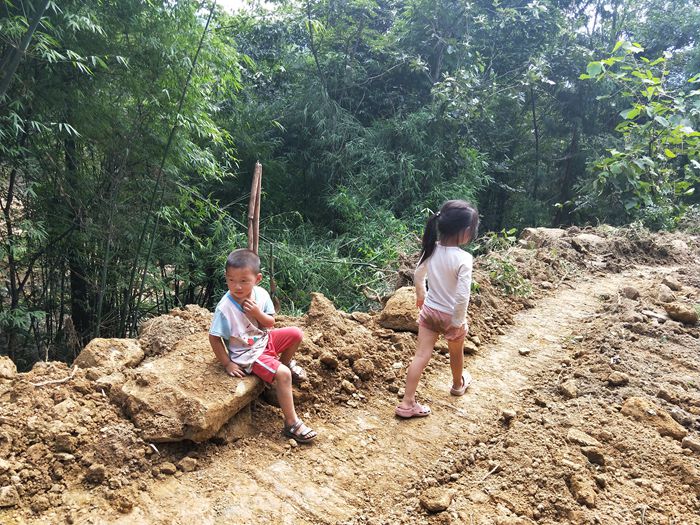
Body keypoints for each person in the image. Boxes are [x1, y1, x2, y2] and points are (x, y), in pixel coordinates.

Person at [208, 248, 317, 443]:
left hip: (264, 339)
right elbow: (214, 337)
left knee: (296, 334)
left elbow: (270, 323)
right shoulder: (225, 308)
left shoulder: (261, 295)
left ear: (257, 279)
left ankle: (283, 364)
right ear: (226, 277)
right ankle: (291, 423)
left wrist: (257, 313)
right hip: (247, 353)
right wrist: (227, 363)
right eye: (231, 280)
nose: (237, 286)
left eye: (244, 281)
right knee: (283, 374)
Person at [395, 200, 479, 418]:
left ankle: (407, 402)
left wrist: (421, 295)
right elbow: (462, 295)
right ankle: (457, 385)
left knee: (421, 355)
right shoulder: (464, 258)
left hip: (430, 311)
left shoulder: (431, 249)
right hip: (451, 316)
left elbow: (418, 274)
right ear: (465, 232)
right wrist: (457, 321)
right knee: (456, 353)